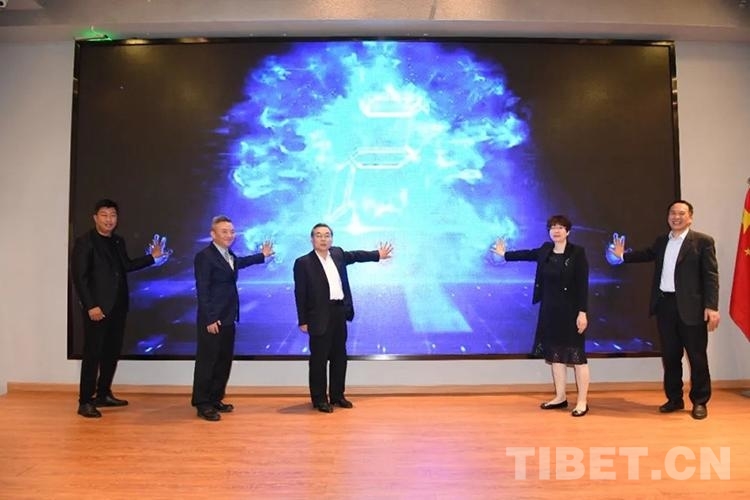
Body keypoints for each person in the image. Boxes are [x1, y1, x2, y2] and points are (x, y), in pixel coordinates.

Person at [608, 200, 720, 420]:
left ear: (690, 217)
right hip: (665, 305)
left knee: (697, 357)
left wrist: (711, 306)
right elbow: (646, 254)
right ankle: (674, 399)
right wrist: (622, 256)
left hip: (692, 308)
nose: (676, 217)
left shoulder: (703, 242)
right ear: (668, 217)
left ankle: (700, 401)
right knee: (670, 357)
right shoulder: (662, 241)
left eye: (681, 213)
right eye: (672, 213)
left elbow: (711, 276)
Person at [71, 198, 171, 418]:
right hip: (97, 309)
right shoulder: (85, 242)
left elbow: (126, 265)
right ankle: (85, 401)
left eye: (113, 215)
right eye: (104, 215)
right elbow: (80, 277)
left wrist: (152, 258)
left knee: (111, 352)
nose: (109, 220)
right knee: (92, 354)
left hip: (118, 306)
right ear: (95, 218)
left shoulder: (117, 241)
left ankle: (103, 394)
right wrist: (91, 305)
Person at [493, 215, 590, 417]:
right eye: (553, 227)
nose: (556, 231)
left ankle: (582, 401)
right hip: (550, 310)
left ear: (568, 231)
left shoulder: (577, 253)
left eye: (560, 227)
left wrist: (582, 312)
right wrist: (504, 255)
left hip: (571, 311)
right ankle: (560, 397)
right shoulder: (546, 250)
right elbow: (528, 254)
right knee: (555, 355)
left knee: (577, 357)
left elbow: (582, 285)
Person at [293, 223, 393, 413]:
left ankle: (337, 396)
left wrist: (377, 255)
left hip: (339, 312)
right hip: (318, 316)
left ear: (332, 238)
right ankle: (319, 399)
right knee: (319, 360)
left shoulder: (337, 254)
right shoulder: (303, 262)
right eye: (319, 235)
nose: (323, 239)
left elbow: (355, 256)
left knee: (340, 357)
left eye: (327, 235)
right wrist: (303, 320)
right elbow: (300, 293)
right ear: (312, 239)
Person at [191, 215, 274, 421]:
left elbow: (241, 262)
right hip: (212, 319)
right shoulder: (205, 256)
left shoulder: (228, 255)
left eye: (231, 231)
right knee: (208, 362)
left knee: (223, 361)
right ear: (213, 234)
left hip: (228, 317)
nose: (229, 235)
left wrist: (262, 256)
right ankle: (202, 403)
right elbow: (203, 290)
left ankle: (215, 398)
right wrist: (210, 318)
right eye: (224, 231)